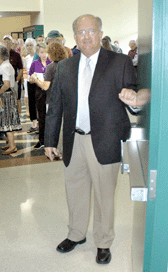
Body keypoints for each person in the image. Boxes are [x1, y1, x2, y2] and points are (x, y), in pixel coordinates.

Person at [44, 14, 137, 265]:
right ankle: (76, 234)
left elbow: (133, 93)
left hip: (106, 139)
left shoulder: (119, 62)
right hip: (74, 140)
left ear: (100, 32)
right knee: (74, 190)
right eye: (81, 32)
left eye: (91, 31)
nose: (86, 36)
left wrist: (133, 97)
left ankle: (104, 241)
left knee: (105, 195)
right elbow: (55, 107)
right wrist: (50, 141)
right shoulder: (65, 67)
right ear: (74, 37)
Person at [34, 41, 67, 158]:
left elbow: (45, 86)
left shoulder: (51, 67)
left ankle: (55, 149)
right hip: (66, 100)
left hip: (52, 100)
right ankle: (63, 150)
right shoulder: (67, 65)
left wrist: (36, 80)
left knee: (53, 125)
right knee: (63, 126)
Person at [0, 45, 20, 155]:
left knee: (8, 120)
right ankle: (10, 143)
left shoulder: (6, 66)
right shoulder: (5, 65)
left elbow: (6, 84)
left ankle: (12, 146)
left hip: (6, 96)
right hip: (7, 95)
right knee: (7, 119)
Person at [29, 42, 51, 149]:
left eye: (45, 52)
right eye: (41, 52)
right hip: (40, 93)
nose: (44, 54)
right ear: (38, 52)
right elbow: (30, 79)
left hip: (51, 93)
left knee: (51, 117)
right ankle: (42, 140)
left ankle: (51, 140)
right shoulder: (35, 64)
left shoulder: (51, 63)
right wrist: (34, 78)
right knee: (41, 117)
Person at [2, 35, 23, 126]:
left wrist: (17, 79)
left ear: (12, 44)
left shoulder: (16, 55)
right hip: (4, 82)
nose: (6, 44)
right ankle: (8, 118)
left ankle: (18, 117)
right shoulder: (1, 55)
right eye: (5, 42)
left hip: (13, 81)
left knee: (16, 99)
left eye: (8, 42)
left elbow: (21, 69)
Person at [24, 38, 38, 134]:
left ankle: (40, 124)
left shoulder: (38, 56)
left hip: (38, 82)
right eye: (27, 45)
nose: (29, 47)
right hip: (30, 82)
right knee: (31, 103)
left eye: (31, 45)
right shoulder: (26, 58)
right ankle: (34, 124)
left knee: (39, 103)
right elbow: (27, 70)